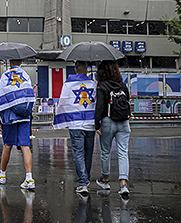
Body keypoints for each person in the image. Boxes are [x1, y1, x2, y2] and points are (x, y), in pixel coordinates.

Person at [54, 61, 97, 196]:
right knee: (88, 152)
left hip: (75, 124)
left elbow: (63, 102)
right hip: (90, 124)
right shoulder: (93, 84)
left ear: (75, 69)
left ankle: (83, 183)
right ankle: (87, 178)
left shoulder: (68, 85)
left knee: (78, 152)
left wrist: (61, 119)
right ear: (86, 70)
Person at [0, 59, 36, 190]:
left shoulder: (5, 76)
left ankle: (2, 175)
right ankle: (29, 178)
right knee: (25, 145)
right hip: (24, 116)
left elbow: (1, 98)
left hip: (10, 117)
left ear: (10, 62)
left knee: (7, 146)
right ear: (21, 62)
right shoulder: (26, 76)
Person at [95, 61, 131, 198]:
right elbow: (127, 100)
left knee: (105, 152)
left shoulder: (102, 86)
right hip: (124, 122)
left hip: (108, 122)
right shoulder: (122, 86)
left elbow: (99, 107)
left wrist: (97, 124)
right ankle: (123, 185)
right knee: (123, 153)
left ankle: (105, 180)